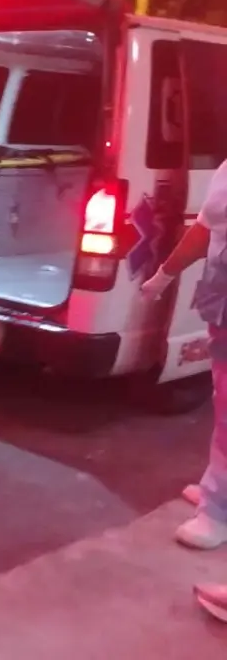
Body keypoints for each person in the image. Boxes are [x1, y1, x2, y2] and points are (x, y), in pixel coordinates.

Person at [142, 159, 227, 550]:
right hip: (221, 299)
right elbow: (206, 230)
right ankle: (217, 489)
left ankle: (218, 514)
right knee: (222, 403)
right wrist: (163, 275)